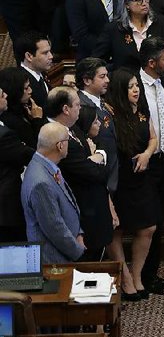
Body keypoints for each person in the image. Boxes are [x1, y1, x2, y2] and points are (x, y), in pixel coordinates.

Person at [105, 69, 159, 301]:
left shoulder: (142, 112)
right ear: (120, 90)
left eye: (137, 85)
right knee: (116, 230)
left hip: (142, 177)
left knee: (148, 227)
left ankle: (137, 275)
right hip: (119, 181)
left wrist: (147, 153)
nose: (136, 90)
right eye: (130, 86)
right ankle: (125, 277)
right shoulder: (111, 117)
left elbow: (153, 138)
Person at [45, 86, 110, 261]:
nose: (80, 109)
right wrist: (100, 157)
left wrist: (95, 157)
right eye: (77, 105)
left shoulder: (72, 129)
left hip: (92, 209)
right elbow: (94, 173)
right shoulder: (57, 137)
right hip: (82, 215)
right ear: (65, 109)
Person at [137, 37, 164, 295]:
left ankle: (153, 274)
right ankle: (144, 276)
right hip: (144, 162)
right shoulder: (134, 86)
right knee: (148, 222)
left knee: (159, 220)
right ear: (152, 63)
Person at [21, 122, 86, 264]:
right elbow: (53, 226)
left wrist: (78, 233)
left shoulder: (45, 166)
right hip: (53, 260)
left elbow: (67, 203)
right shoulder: (41, 182)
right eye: (68, 140)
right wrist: (78, 250)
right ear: (60, 146)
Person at [93, 0, 164, 71]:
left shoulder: (160, 22)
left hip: (157, 80)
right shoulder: (114, 29)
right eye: (138, 0)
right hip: (126, 82)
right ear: (126, 4)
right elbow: (98, 60)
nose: (144, 3)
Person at [75, 57, 118, 195]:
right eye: (102, 76)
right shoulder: (80, 107)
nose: (108, 80)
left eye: (107, 76)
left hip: (113, 176)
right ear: (87, 80)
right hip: (98, 181)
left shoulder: (102, 102)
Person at [0, 84, 35, 242]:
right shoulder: (4, 136)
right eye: (1, 95)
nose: (6, 95)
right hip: (6, 210)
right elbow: (31, 156)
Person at [0, 66, 44, 148]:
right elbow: (39, 147)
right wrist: (37, 120)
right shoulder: (11, 121)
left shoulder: (22, 109)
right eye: (26, 88)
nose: (30, 91)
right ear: (15, 90)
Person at [13, 31, 52, 108]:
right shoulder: (20, 83)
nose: (51, 56)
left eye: (50, 51)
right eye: (45, 53)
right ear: (29, 56)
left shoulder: (42, 74)